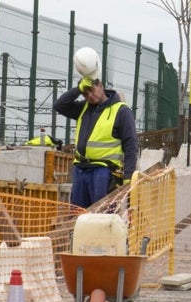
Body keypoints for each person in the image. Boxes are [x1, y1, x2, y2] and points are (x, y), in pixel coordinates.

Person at [54, 74, 138, 208]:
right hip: (81, 170)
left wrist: (128, 177)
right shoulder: (84, 108)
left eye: (91, 90)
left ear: (100, 85)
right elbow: (59, 105)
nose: (90, 96)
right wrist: (78, 89)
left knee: (101, 216)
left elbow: (131, 145)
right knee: (77, 216)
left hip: (104, 172)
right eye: (85, 94)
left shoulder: (121, 111)